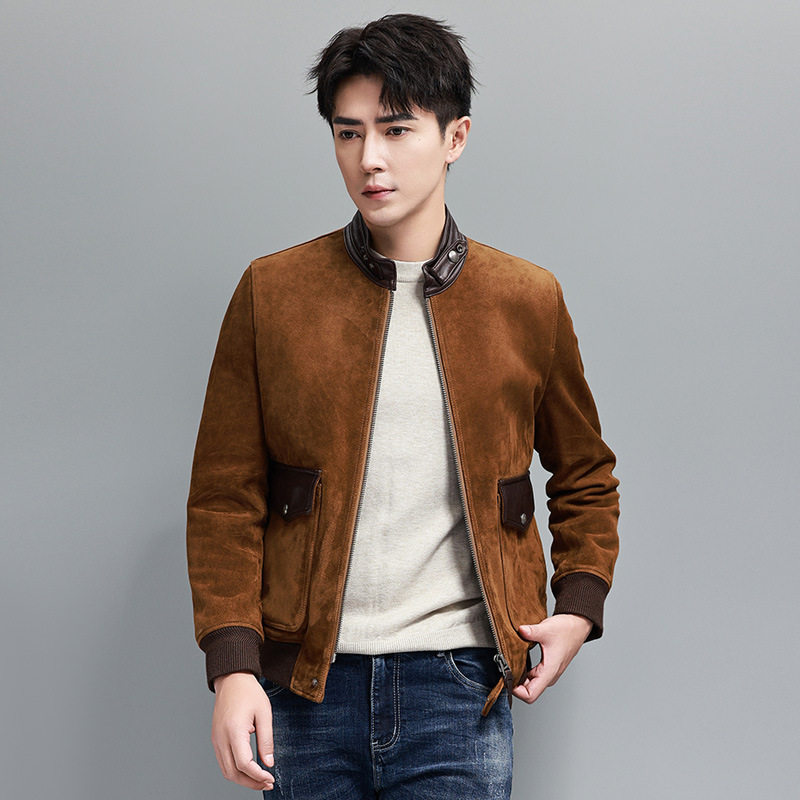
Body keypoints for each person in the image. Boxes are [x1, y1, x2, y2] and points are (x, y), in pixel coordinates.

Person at [186, 13, 619, 799]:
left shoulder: (525, 300)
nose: (369, 159)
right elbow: (224, 497)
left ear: (455, 137)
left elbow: (585, 473)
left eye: (394, 129)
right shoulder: (273, 294)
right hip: (305, 686)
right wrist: (233, 667)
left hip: (459, 687)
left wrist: (579, 606)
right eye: (348, 134)